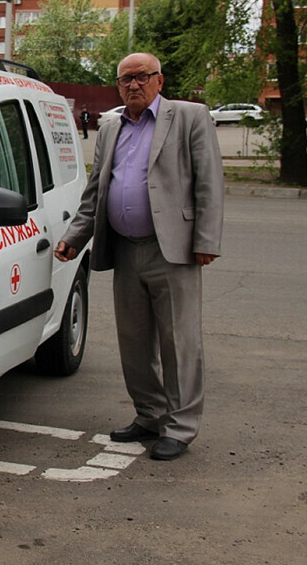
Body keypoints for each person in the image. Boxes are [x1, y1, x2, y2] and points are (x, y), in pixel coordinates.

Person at [54, 53, 224, 461]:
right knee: (134, 342)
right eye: (125, 79)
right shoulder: (110, 127)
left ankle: (180, 427)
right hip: (126, 250)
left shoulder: (190, 117)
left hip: (173, 250)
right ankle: (150, 415)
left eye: (142, 77)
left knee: (179, 342)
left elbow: (209, 181)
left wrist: (206, 240)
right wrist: (75, 237)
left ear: (159, 81)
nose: (133, 85)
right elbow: (96, 192)